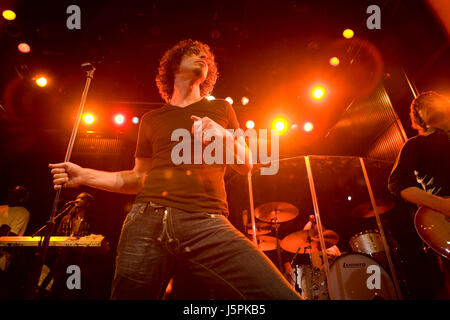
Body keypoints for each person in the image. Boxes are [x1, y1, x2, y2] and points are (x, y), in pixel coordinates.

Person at [49, 39, 302, 300]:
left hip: (206, 222)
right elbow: (138, 178)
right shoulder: (151, 119)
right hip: (146, 219)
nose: (203, 57)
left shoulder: (220, 108)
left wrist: (222, 136)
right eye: (195, 53)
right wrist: (84, 175)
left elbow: (246, 164)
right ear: (173, 65)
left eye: (206, 56)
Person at [388, 91, 450, 299]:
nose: (429, 103)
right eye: (421, 105)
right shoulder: (416, 145)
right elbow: (397, 183)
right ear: (418, 117)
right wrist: (443, 206)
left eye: (434, 99)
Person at [0, 186, 30, 298]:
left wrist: (4, 231)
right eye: (11, 192)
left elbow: (10, 235)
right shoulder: (1, 208)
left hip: (4, 255)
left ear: (21, 198)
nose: (11, 195)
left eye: (15, 194)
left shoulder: (23, 212)